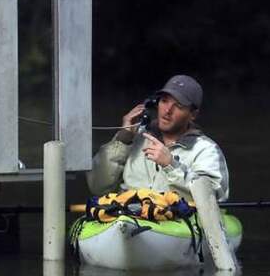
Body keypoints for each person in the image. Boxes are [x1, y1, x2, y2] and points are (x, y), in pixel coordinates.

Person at [86, 75, 229, 202]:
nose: (167, 111)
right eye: (164, 101)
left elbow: (214, 195)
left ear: (193, 114)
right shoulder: (134, 138)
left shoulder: (206, 149)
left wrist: (171, 165)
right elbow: (97, 186)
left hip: (175, 223)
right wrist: (122, 141)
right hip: (128, 219)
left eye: (178, 106)